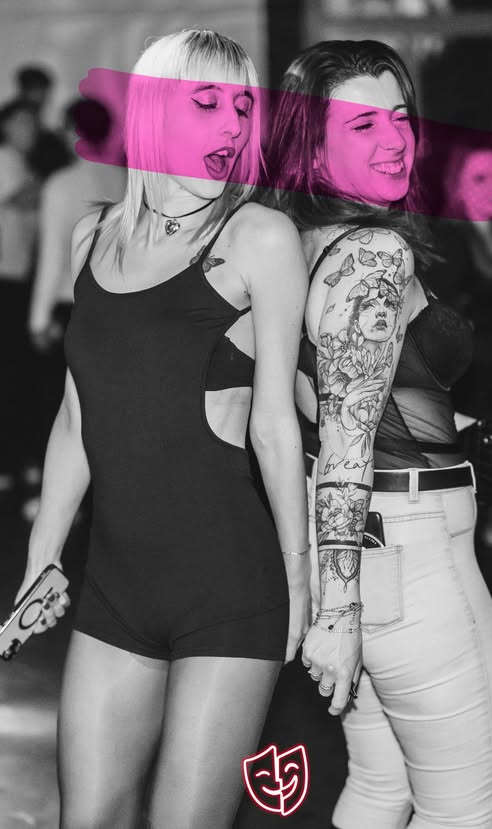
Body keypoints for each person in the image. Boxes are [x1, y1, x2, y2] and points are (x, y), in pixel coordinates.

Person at [14, 28, 310, 829]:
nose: (231, 125)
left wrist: (302, 584)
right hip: (115, 587)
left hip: (230, 589)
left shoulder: (257, 237)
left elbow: (276, 426)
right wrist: (42, 554)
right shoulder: (93, 233)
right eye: (206, 102)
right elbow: (77, 416)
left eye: (242, 106)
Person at [266, 39, 492, 828]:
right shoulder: (373, 254)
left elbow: (326, 399)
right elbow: (346, 438)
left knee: (380, 789)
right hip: (410, 556)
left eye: (400, 117)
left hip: (360, 553)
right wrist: (337, 618)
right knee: (468, 809)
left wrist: (461, 431)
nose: (394, 139)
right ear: (313, 143)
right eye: (362, 124)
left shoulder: (290, 240)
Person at [23, 99, 125, 521]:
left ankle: (63, 505)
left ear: (70, 132)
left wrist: (37, 319)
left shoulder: (62, 183)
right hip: (119, 306)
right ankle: (103, 499)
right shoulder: (123, 179)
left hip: (72, 307)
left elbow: (52, 256)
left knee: (63, 412)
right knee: (107, 408)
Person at [0, 100, 40, 507]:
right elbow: (17, 199)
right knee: (10, 374)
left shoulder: (22, 164)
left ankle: (13, 462)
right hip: (6, 281)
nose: (31, 127)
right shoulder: (5, 160)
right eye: (23, 120)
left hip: (17, 280)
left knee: (15, 375)